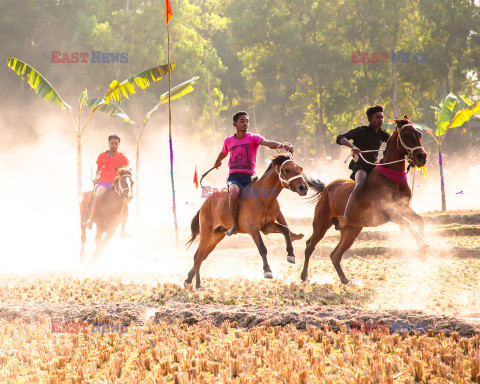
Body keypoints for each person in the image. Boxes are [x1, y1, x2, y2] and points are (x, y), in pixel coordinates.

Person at [214, 111, 302, 238]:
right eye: (242, 121)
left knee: (269, 198)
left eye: (247, 121)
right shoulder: (228, 140)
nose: (245, 124)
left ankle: (288, 231)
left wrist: (282, 145)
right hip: (234, 177)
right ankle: (235, 225)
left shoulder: (253, 138)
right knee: (233, 192)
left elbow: (268, 143)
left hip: (250, 178)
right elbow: (224, 152)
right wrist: (217, 161)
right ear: (235, 123)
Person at [336, 104, 391, 228]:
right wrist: (353, 147)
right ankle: (345, 216)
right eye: (377, 117)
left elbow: (393, 143)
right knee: (360, 184)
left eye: (382, 117)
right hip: (361, 166)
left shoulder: (383, 134)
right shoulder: (361, 131)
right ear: (370, 119)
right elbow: (340, 138)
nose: (381, 120)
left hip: (375, 167)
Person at [84, 134, 130, 235]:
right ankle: (91, 221)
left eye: (116, 143)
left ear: (119, 145)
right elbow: (98, 170)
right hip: (103, 183)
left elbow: (125, 170)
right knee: (99, 195)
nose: (114, 145)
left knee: (125, 204)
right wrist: (96, 177)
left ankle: (123, 231)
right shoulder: (102, 156)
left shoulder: (123, 158)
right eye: (112, 143)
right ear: (108, 143)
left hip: (116, 185)